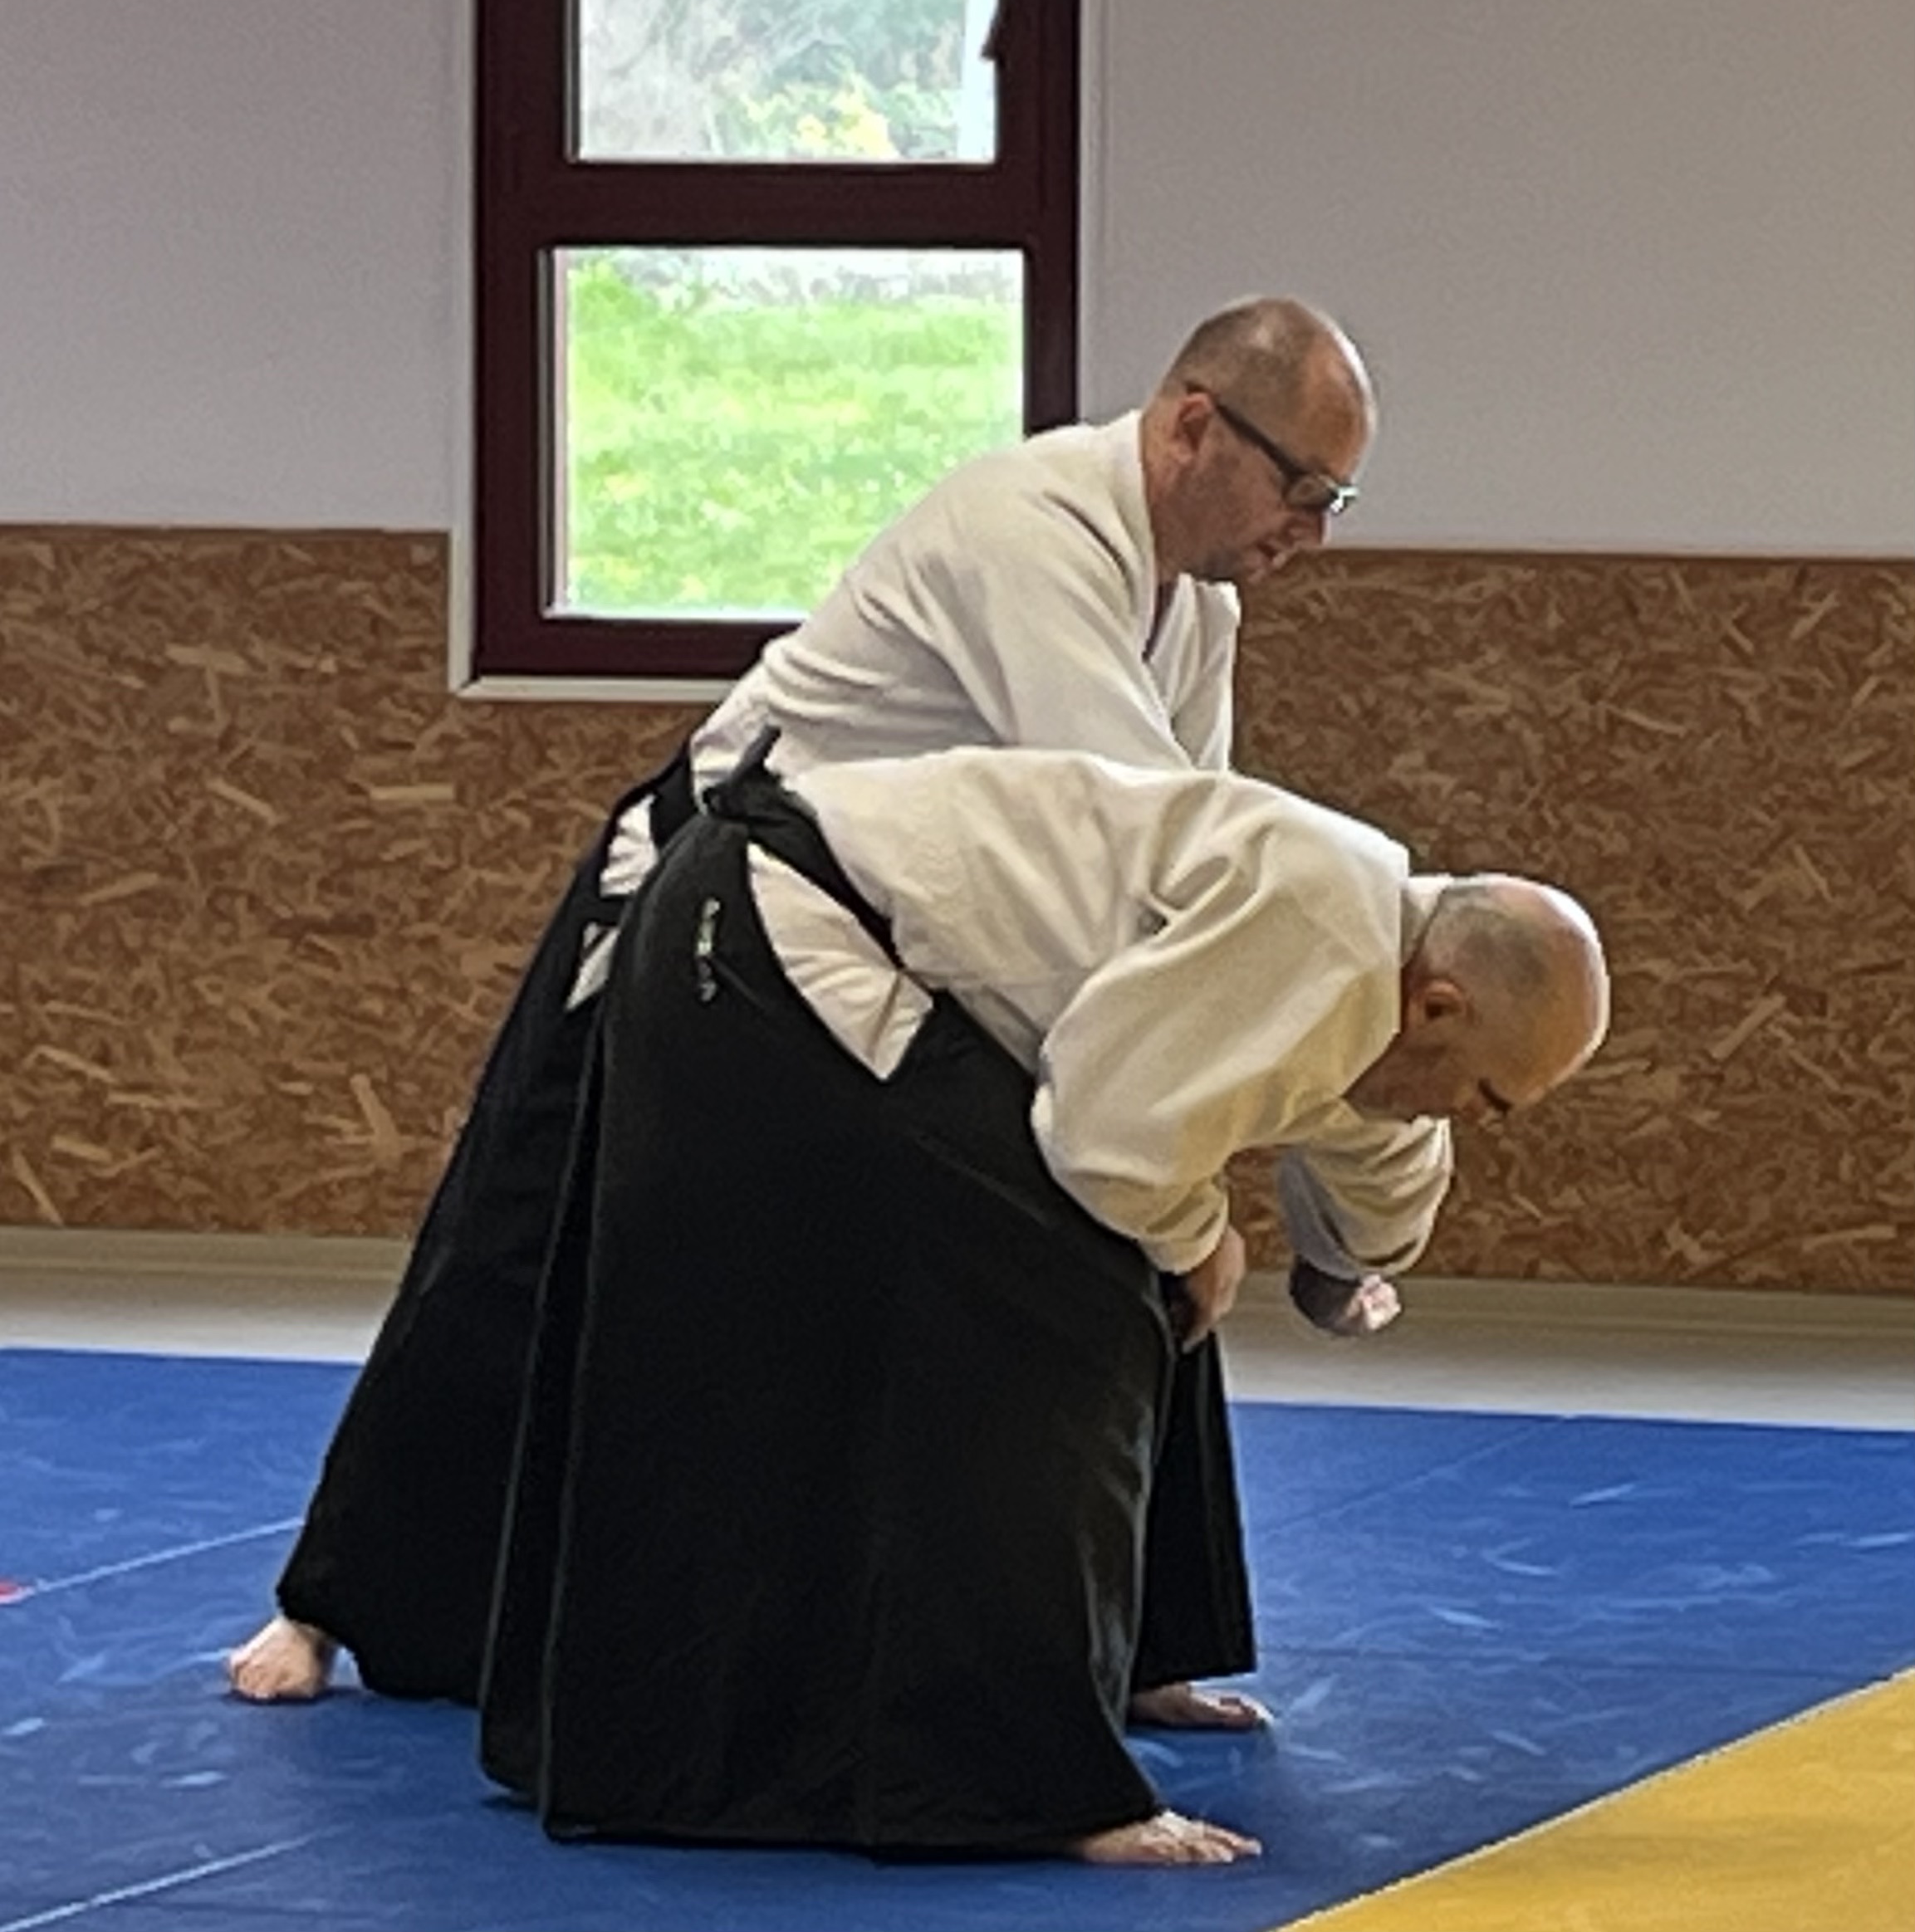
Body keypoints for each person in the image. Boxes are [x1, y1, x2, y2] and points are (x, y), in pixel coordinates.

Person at [228, 296, 1379, 1713]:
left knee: (1106, 1210)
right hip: (705, 891)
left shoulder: (1195, 603)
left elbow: (1183, 854)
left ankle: (1135, 1645)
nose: (1310, 533)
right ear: (1195, 422)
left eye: (1334, 501)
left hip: (909, 941)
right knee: (522, 1225)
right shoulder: (1030, 527)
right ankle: (330, 1599)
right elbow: (1143, 826)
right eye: (1300, 488)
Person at [476, 744, 1610, 1866]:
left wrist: (1341, 1271)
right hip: (773, 924)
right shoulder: (1318, 927)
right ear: (1439, 1004)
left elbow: (1378, 1161)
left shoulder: (1386, 980)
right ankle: (1029, 1775)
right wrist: (1202, 1241)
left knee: (1140, 1278)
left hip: (863, 945)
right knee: (1061, 1299)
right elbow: (1108, 1139)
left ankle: (1132, 1653)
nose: (1472, 1119)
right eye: (1488, 1095)